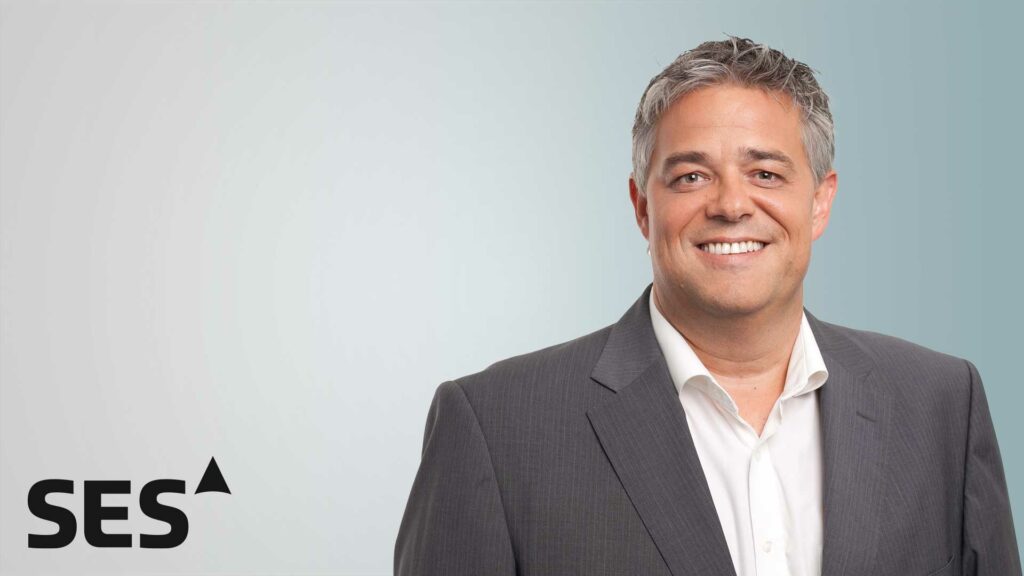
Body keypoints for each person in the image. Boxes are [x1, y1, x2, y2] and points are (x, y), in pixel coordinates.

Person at [394, 36, 1021, 576]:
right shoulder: (496, 427)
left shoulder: (941, 404)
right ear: (642, 207)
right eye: (691, 176)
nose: (730, 205)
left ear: (820, 202)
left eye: (766, 174)